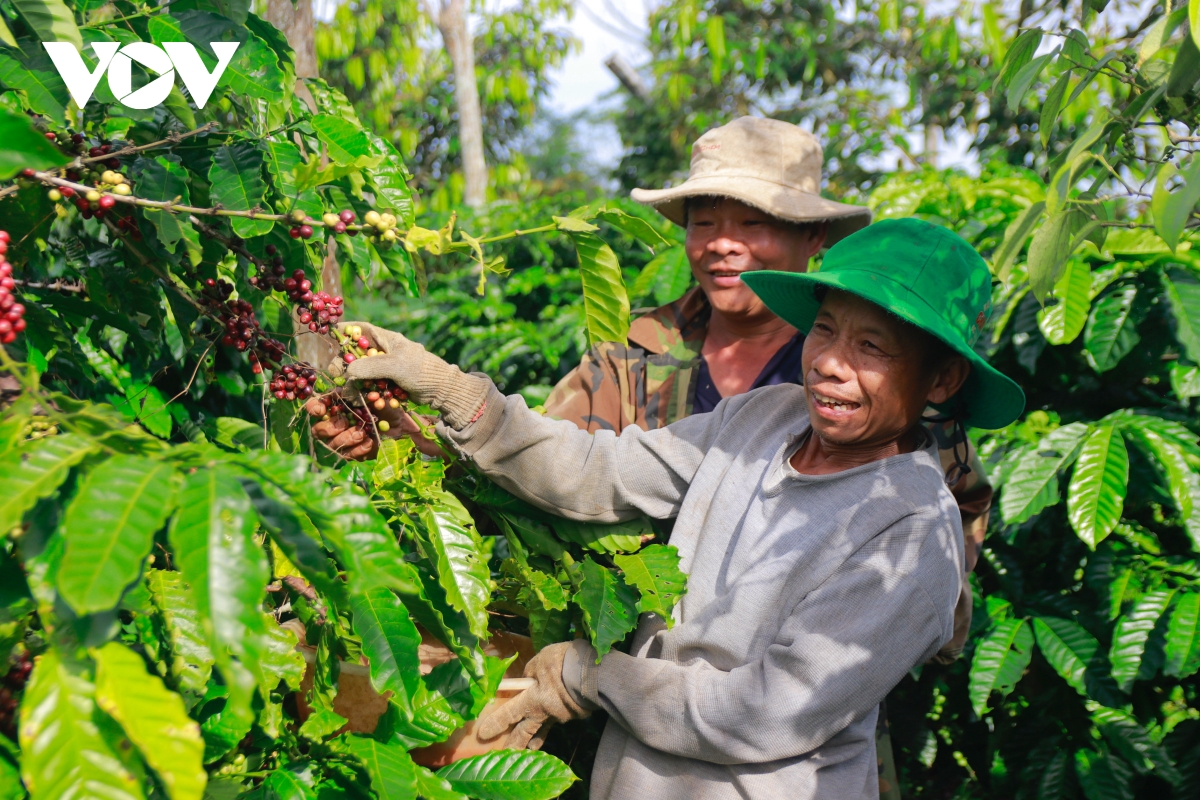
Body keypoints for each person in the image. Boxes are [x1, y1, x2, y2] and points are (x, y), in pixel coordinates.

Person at [309, 116, 992, 795]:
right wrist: (448, 396)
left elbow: (771, 709)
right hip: (628, 756)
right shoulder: (762, 415)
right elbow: (591, 470)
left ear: (941, 380)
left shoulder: (908, 525)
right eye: (828, 332)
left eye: (872, 348)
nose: (833, 366)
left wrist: (596, 673)